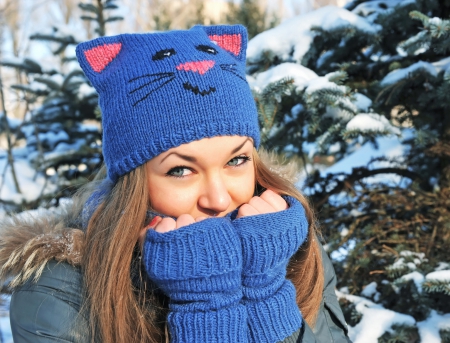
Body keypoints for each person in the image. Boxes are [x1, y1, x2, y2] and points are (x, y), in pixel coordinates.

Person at [0, 25, 351, 343]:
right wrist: (207, 306)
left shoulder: (288, 246)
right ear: (133, 183)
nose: (218, 198)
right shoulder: (58, 292)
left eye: (236, 160)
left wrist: (267, 294)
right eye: (181, 170)